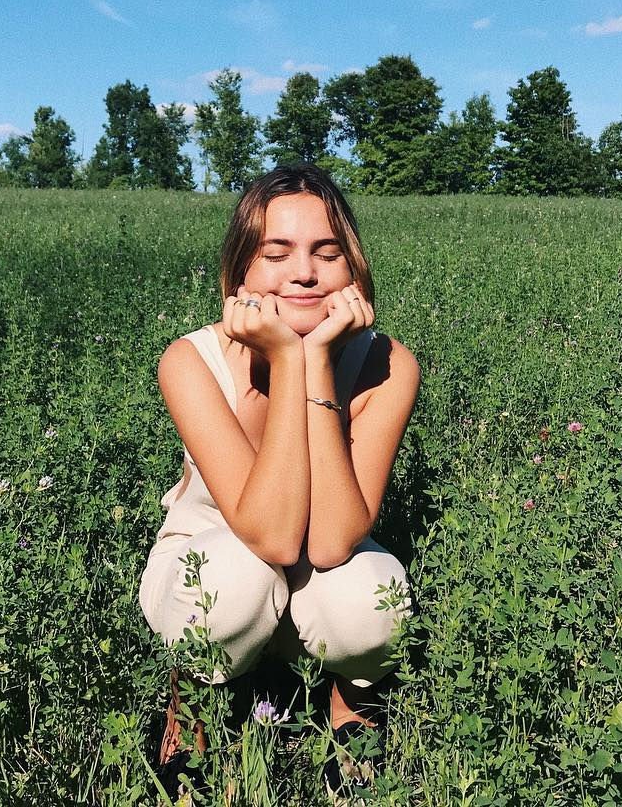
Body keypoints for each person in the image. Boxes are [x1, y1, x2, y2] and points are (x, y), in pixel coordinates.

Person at [137, 163, 420, 796]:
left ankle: (351, 702)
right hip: (214, 563)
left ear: (353, 268)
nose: (304, 273)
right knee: (235, 577)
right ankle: (195, 698)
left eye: (327, 252)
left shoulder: (387, 364)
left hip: (321, 565)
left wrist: (312, 359)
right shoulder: (191, 361)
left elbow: (332, 542)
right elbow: (268, 536)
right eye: (276, 253)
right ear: (241, 269)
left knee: (371, 598)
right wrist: (290, 358)